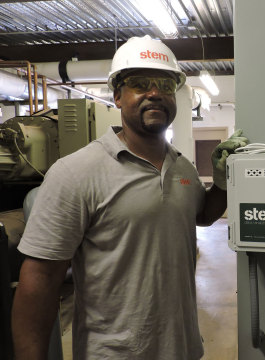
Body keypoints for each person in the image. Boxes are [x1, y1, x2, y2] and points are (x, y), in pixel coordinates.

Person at [11, 35, 247, 360]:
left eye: (164, 84)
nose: (154, 93)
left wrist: (221, 183)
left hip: (183, 349)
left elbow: (202, 215)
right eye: (140, 83)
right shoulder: (75, 173)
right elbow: (39, 282)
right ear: (118, 96)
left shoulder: (182, 167)